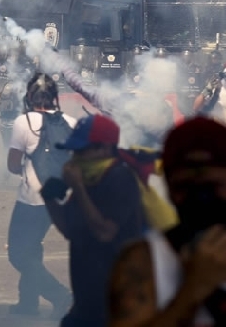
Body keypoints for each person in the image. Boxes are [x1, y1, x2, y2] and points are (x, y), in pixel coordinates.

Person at [108, 116, 226, 326]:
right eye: (185, 186)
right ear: (169, 189)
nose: (201, 198)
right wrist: (193, 290)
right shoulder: (141, 264)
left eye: (214, 185)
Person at [42, 114, 148, 327]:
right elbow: (70, 231)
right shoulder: (89, 178)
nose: (76, 156)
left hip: (117, 304)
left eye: (83, 150)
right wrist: (51, 200)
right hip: (87, 304)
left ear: (105, 149)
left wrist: (79, 188)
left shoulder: (119, 178)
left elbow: (104, 232)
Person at [6, 73, 75, 318]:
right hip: (59, 198)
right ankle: (28, 304)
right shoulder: (71, 121)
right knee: (32, 249)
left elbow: (13, 165)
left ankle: (59, 295)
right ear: (55, 97)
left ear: (29, 96)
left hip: (31, 199)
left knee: (17, 253)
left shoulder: (23, 122)